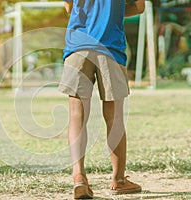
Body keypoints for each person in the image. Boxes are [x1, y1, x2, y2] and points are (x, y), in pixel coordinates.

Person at [59, 0, 145, 199]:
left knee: (76, 115)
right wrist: (110, 15)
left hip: (78, 45)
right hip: (110, 47)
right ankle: (119, 180)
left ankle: (79, 177)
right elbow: (139, 7)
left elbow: (69, 7)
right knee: (114, 118)